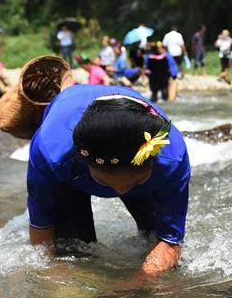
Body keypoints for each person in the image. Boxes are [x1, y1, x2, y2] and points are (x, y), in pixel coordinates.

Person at [26, 85, 189, 283]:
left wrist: (137, 284)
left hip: (143, 165)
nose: (121, 191)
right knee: (72, 255)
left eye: (135, 182)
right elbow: (42, 226)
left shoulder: (171, 158)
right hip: (71, 172)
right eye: (104, 182)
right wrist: (49, 273)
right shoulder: (52, 155)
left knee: (154, 242)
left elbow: (170, 239)